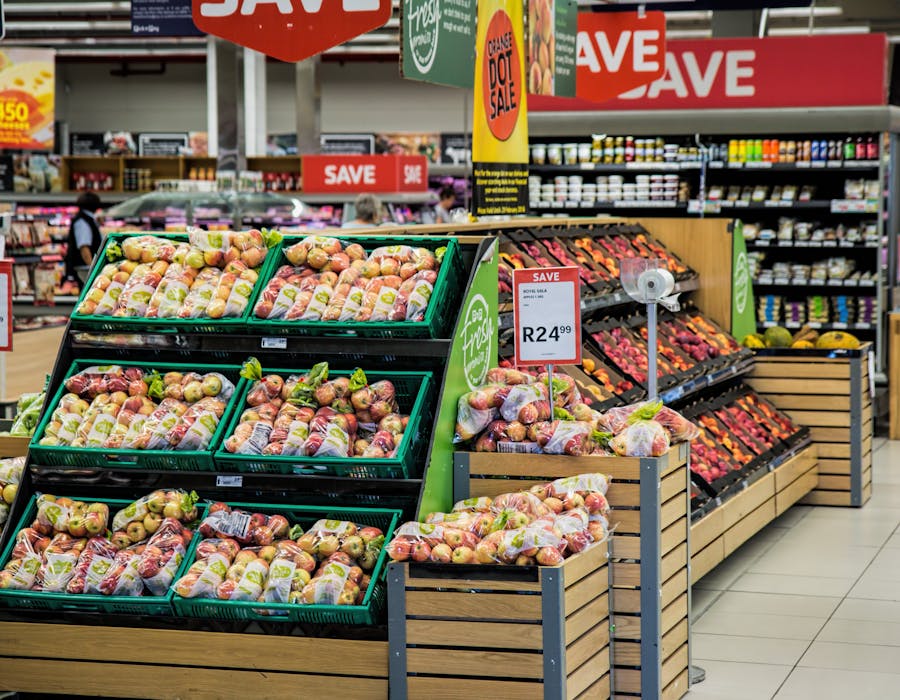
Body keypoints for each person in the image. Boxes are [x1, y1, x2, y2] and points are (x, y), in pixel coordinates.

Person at [64, 192, 102, 290]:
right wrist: (93, 270)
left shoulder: (87, 219)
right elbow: (84, 248)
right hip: (83, 271)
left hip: (83, 269)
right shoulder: (82, 221)